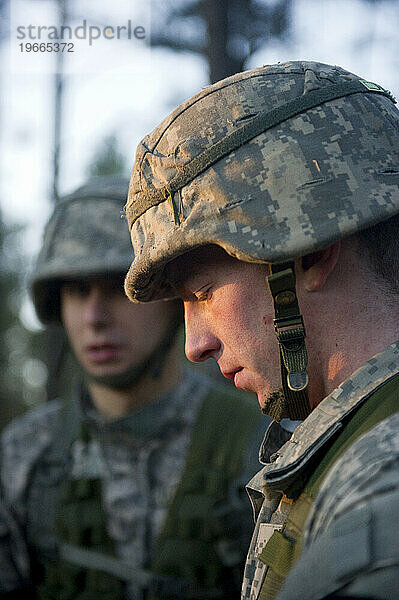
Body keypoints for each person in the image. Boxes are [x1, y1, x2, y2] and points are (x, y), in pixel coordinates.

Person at [123, 62, 399, 600]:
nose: (194, 345)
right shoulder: (351, 452)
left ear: (310, 251)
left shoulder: (382, 492)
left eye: (203, 293)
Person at [0, 176, 266, 600]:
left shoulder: (262, 447)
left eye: (117, 288)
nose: (94, 317)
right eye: (75, 290)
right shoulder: (22, 456)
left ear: (168, 300)